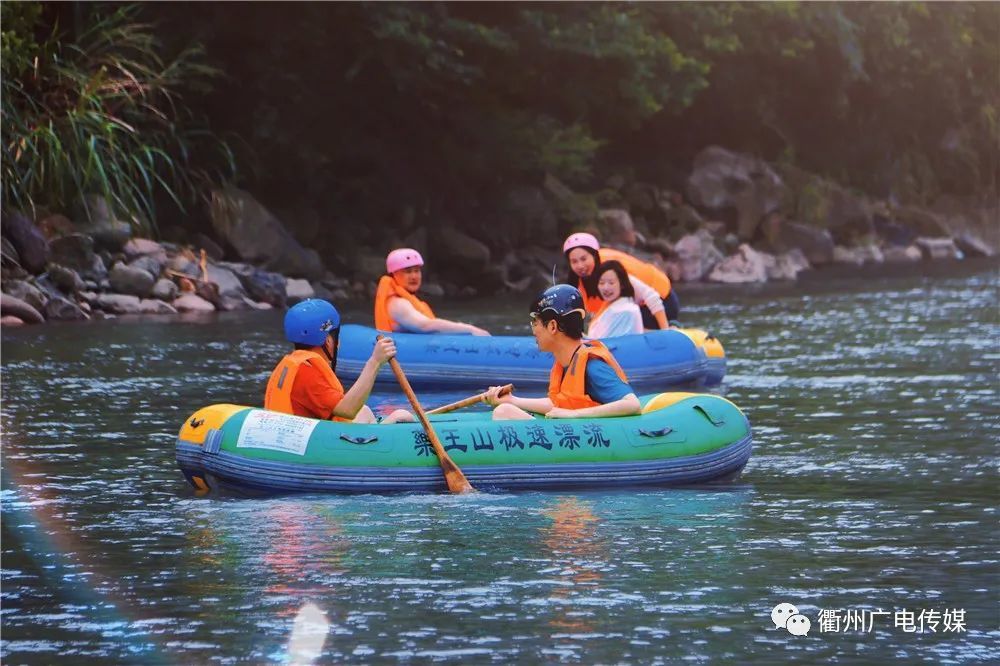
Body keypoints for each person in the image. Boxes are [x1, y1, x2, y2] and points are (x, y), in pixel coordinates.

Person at [482, 285, 641, 420]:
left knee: (503, 413)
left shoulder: (592, 367)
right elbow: (559, 404)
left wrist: (575, 414)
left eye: (535, 323)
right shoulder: (566, 363)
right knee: (505, 410)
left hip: (596, 435)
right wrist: (512, 400)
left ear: (552, 326)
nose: (533, 331)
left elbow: (632, 404)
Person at [265, 299, 414, 424]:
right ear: (328, 340)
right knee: (402, 415)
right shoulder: (307, 372)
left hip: (295, 434)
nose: (339, 343)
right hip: (307, 447)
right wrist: (375, 362)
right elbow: (348, 410)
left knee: (365, 411)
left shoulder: (295, 363)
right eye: (336, 337)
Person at [562, 232, 680, 327]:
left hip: (662, 301)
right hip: (637, 307)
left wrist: (665, 332)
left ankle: (672, 327)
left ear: (594, 255)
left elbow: (651, 297)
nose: (580, 266)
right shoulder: (576, 282)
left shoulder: (611, 270)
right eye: (574, 261)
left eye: (584, 259)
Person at [374, 248, 490, 335]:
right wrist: (470, 329)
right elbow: (425, 326)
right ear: (394, 274)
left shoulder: (406, 300)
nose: (414, 276)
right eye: (408, 271)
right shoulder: (398, 304)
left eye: (417, 271)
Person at [587, 260, 644, 339]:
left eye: (611, 283)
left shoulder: (626, 311)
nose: (606, 288)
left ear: (622, 284)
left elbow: (608, 343)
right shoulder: (609, 305)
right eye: (601, 283)